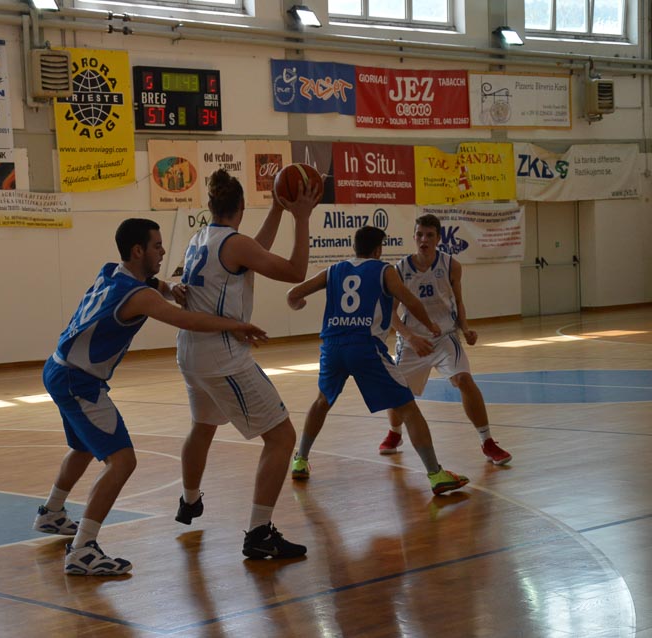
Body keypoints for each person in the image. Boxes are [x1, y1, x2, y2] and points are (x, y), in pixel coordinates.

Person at [35, 218, 268, 576]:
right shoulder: (140, 297)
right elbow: (186, 320)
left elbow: (153, 283)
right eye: (157, 246)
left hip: (58, 368)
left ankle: (52, 512)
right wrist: (236, 325)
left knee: (83, 446)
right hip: (77, 380)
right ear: (137, 250)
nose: (162, 251)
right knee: (122, 461)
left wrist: (170, 286)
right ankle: (82, 550)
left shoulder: (112, 270)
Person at [174, 169, 321, 561]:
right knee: (282, 437)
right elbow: (295, 271)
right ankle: (258, 532)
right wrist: (301, 218)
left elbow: (252, 253)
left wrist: (276, 209)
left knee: (202, 426)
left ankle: (189, 501)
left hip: (189, 351)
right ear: (241, 206)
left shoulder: (200, 238)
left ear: (211, 205)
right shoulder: (234, 244)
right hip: (222, 355)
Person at [287, 226, 470, 496]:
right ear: (378, 250)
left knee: (322, 401)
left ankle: (300, 460)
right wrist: (430, 324)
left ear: (355, 247)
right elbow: (410, 301)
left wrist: (297, 304)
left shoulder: (333, 270)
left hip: (332, 347)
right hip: (365, 347)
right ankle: (436, 474)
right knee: (408, 408)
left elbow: (293, 295)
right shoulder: (384, 270)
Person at [378, 214, 511, 464]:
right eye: (419, 235)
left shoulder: (452, 266)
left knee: (464, 380)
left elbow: (458, 301)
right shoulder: (400, 270)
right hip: (413, 341)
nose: (424, 240)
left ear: (438, 238)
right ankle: (395, 433)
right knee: (397, 391)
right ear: (414, 237)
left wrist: (466, 329)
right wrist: (410, 337)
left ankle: (487, 441)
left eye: (429, 235)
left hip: (445, 337)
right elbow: (391, 314)